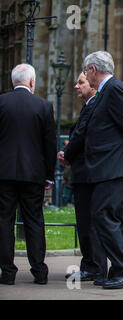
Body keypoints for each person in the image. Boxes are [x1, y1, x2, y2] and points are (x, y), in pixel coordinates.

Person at [74, 51, 123, 289]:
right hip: (108, 168)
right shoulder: (106, 91)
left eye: (86, 71)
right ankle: (120, 269)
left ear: (93, 70)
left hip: (114, 167)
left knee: (104, 215)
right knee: (109, 216)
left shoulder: (114, 89)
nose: (85, 75)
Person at [0, 64, 56, 285]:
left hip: (3, 173)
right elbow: (50, 144)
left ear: (13, 82)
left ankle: (7, 272)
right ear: (32, 82)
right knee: (34, 221)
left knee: (4, 221)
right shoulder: (43, 106)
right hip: (33, 174)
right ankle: (39, 271)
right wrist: (49, 175)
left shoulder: (1, 103)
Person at [59, 72, 107, 283]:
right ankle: (91, 265)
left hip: (89, 173)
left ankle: (94, 267)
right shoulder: (89, 105)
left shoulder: (94, 104)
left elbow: (81, 135)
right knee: (85, 222)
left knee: (89, 223)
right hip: (84, 172)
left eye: (81, 82)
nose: (76, 86)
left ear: (92, 85)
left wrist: (67, 154)